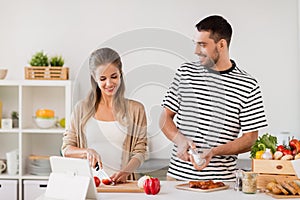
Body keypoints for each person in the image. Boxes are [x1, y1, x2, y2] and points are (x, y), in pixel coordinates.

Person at [159, 15, 268, 181]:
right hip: (177, 180)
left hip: (221, 183)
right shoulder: (185, 73)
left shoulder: (248, 85)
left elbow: (250, 139)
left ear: (221, 44)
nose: (196, 51)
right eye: (195, 43)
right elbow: (165, 117)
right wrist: (180, 140)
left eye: (202, 45)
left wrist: (214, 151)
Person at [61, 47, 147, 183]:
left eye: (114, 76)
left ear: (121, 74)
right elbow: (66, 149)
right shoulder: (81, 109)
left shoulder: (136, 110)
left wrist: (126, 171)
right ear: (94, 79)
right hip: (88, 184)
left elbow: (140, 151)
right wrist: (86, 151)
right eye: (102, 79)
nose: (109, 83)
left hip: (122, 185)